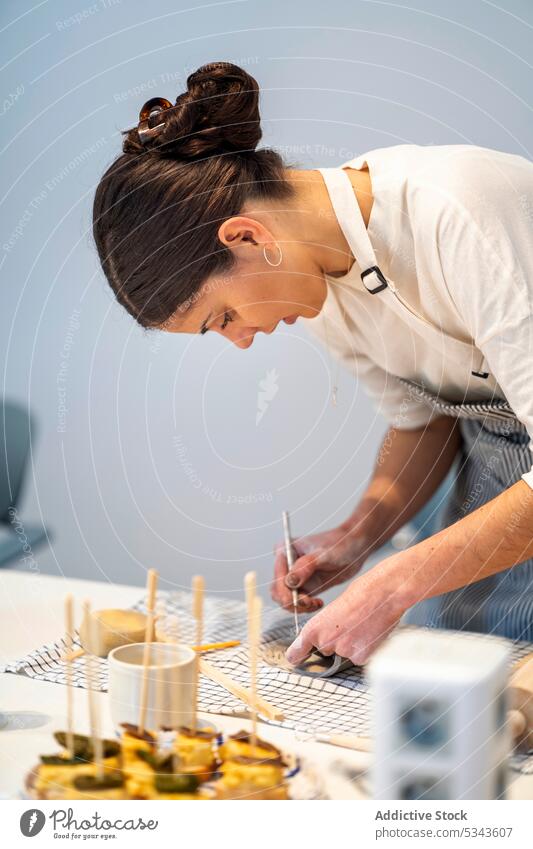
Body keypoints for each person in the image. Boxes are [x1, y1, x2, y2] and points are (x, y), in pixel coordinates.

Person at [93, 61, 533, 667]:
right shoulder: (315, 281)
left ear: (247, 237)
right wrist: (360, 536)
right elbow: (424, 422)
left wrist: (400, 579)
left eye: (221, 317)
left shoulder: (459, 216)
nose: (241, 341)